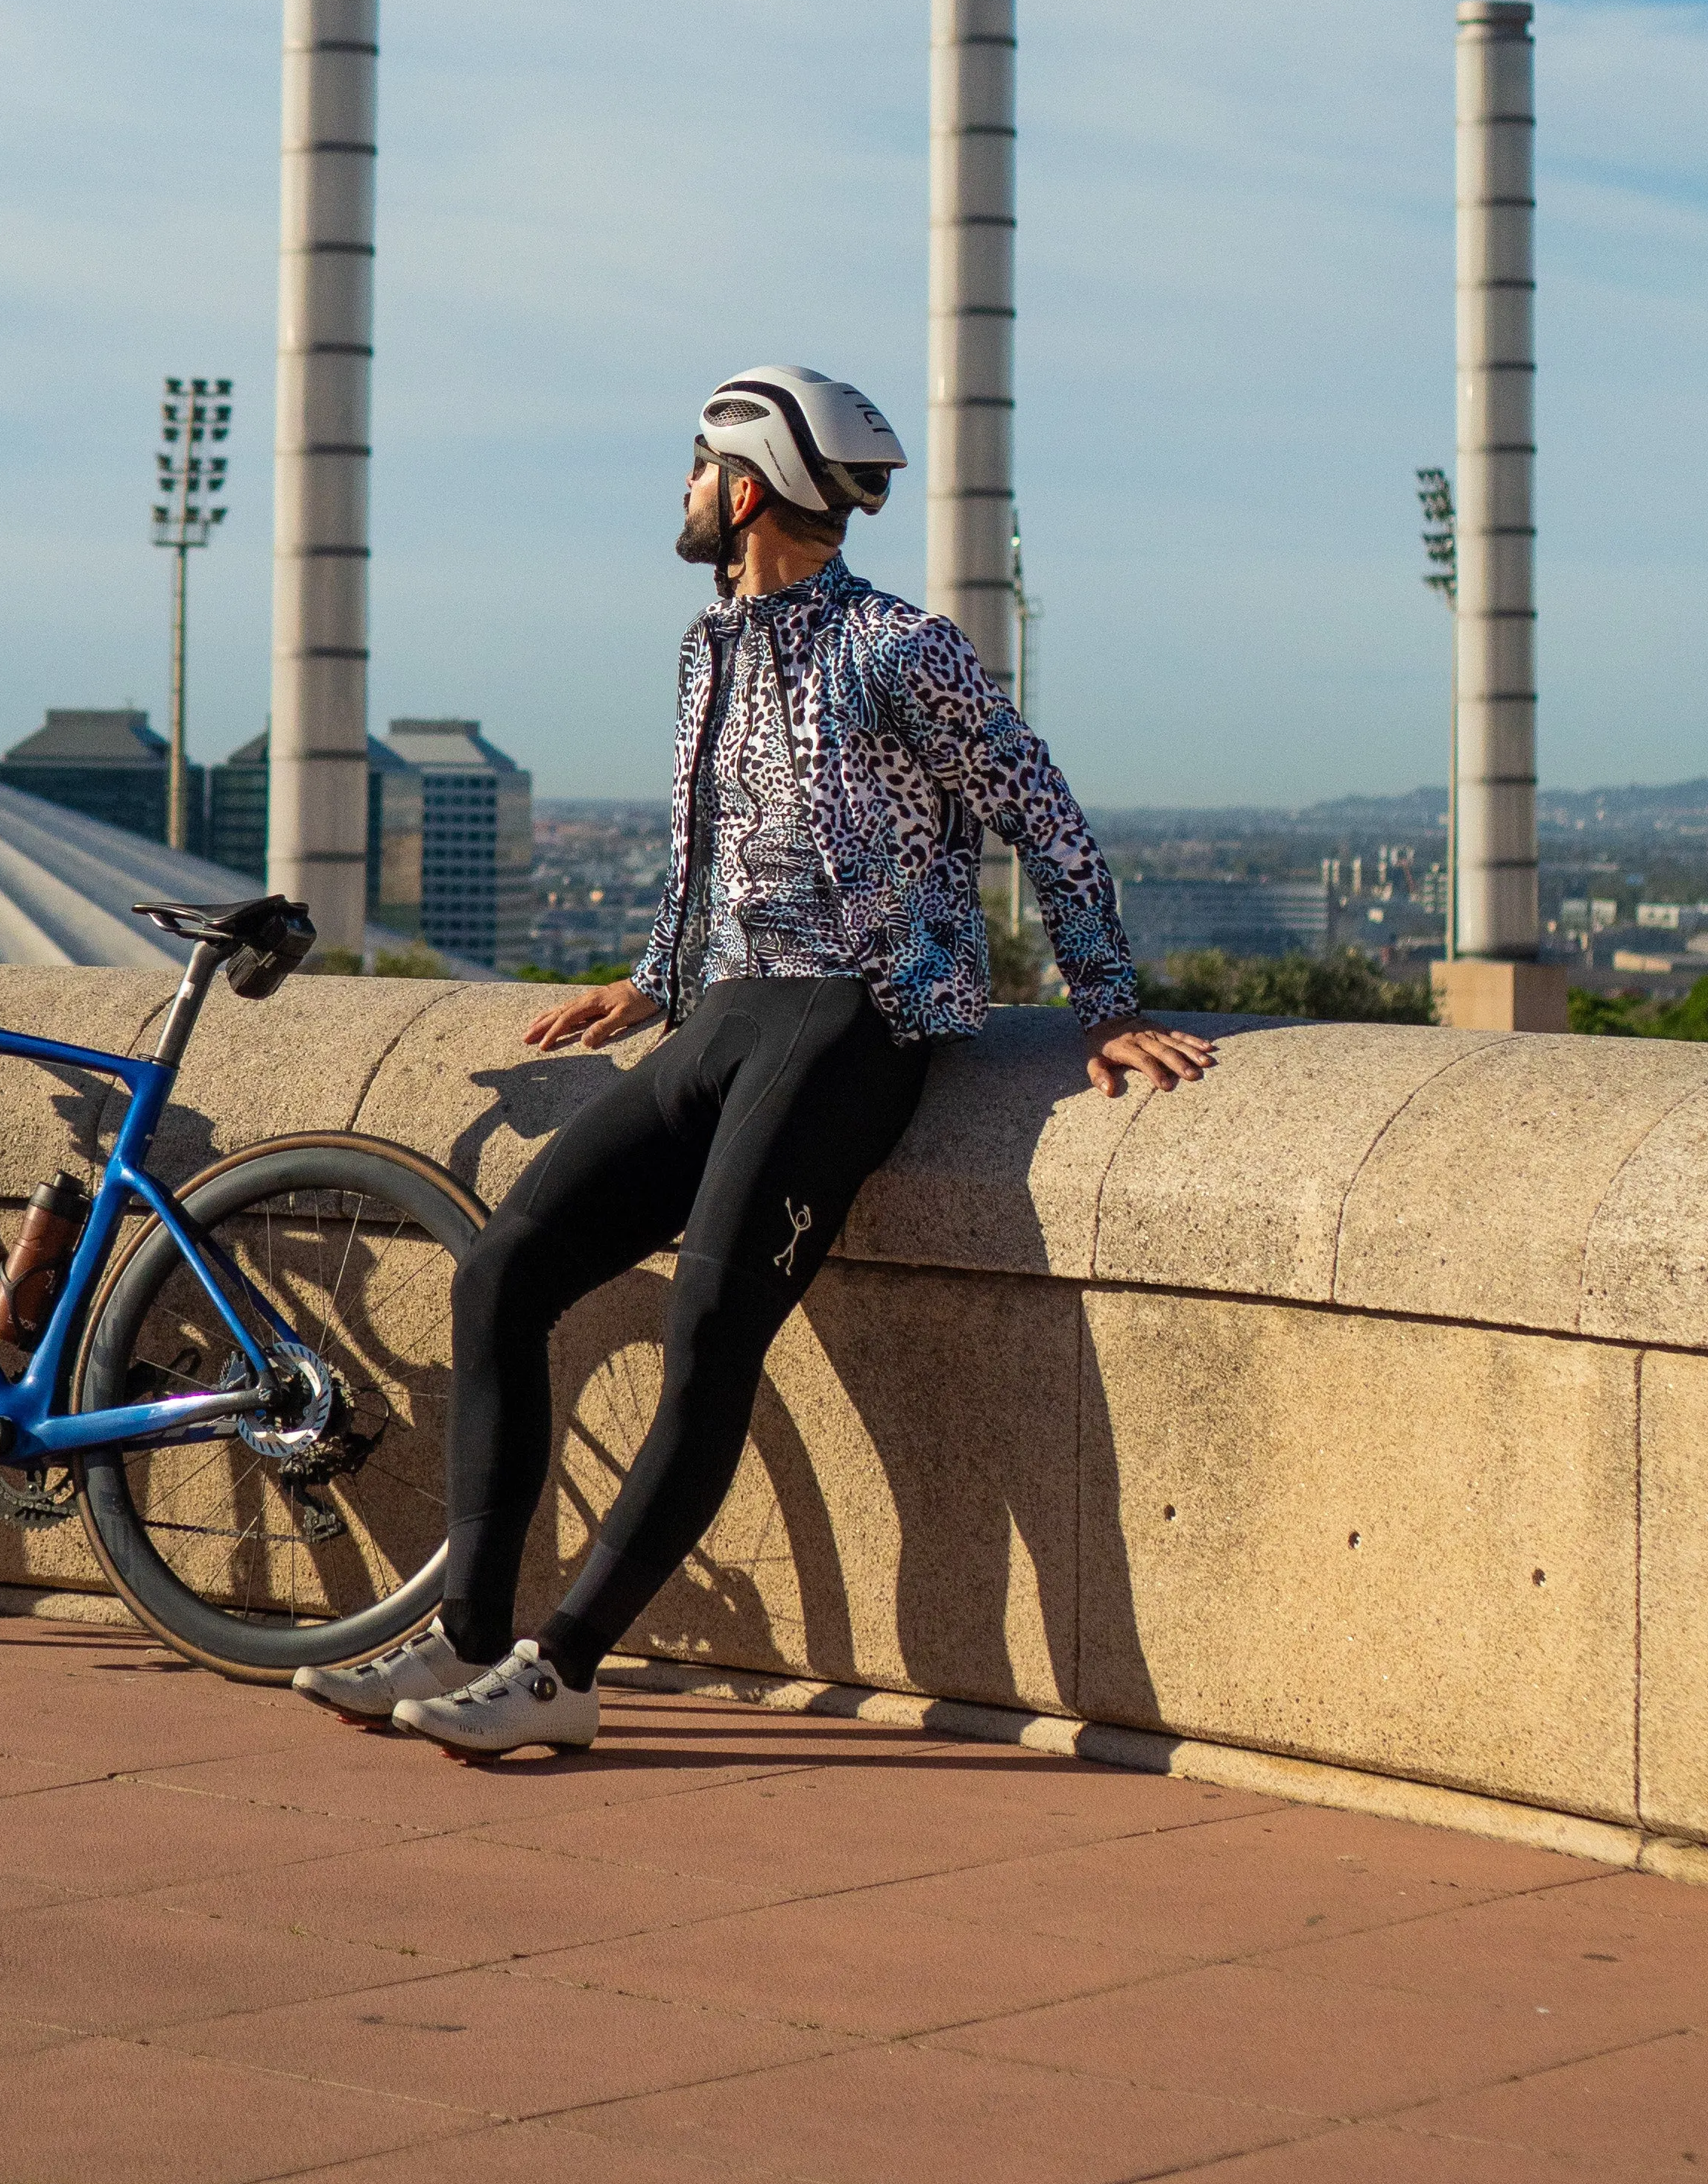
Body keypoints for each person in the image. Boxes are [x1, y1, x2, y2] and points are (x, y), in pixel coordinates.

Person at [296, 361, 1213, 1757]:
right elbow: (703, 848)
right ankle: (469, 1632)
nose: (679, 489)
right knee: (502, 1270)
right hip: (722, 1017)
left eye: (694, 467)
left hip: (849, 1029)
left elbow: (1052, 819)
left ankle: (567, 1667)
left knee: (707, 1340)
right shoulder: (705, 645)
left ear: (742, 489)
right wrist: (651, 982)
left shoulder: (902, 649)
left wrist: (1101, 1006)